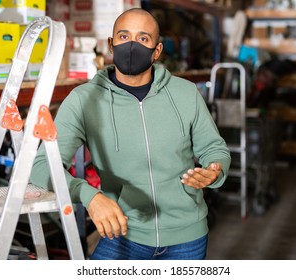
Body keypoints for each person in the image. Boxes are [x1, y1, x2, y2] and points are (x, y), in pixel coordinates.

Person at [30, 8, 231, 260]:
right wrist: (89, 196)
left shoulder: (186, 93)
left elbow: (215, 148)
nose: (132, 45)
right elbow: (41, 169)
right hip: (123, 234)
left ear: (157, 51)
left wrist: (215, 169)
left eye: (143, 38)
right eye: (124, 37)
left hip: (187, 238)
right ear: (111, 44)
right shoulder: (82, 100)